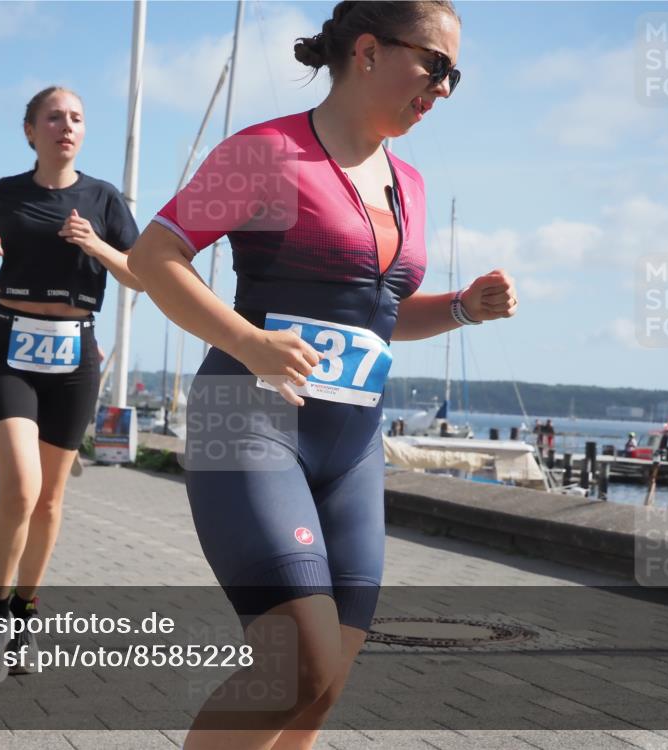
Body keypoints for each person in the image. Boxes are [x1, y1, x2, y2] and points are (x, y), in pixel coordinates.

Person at [129, 2, 517, 746]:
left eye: (455, 76)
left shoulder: (413, 183)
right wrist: (249, 343)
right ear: (368, 51)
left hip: (351, 448)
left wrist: (462, 309)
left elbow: (374, 316)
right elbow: (153, 259)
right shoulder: (265, 152)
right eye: (435, 65)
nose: (443, 88)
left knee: (324, 685)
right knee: (295, 665)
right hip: (246, 422)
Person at [0, 85, 142, 684]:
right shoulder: (7, 193)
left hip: (74, 355)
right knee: (20, 487)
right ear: (30, 130)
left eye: (77, 118)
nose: (67, 125)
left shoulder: (104, 199)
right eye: (54, 117)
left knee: (51, 500)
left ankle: (24, 612)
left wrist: (96, 244)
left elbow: (141, 274)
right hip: (10, 347)